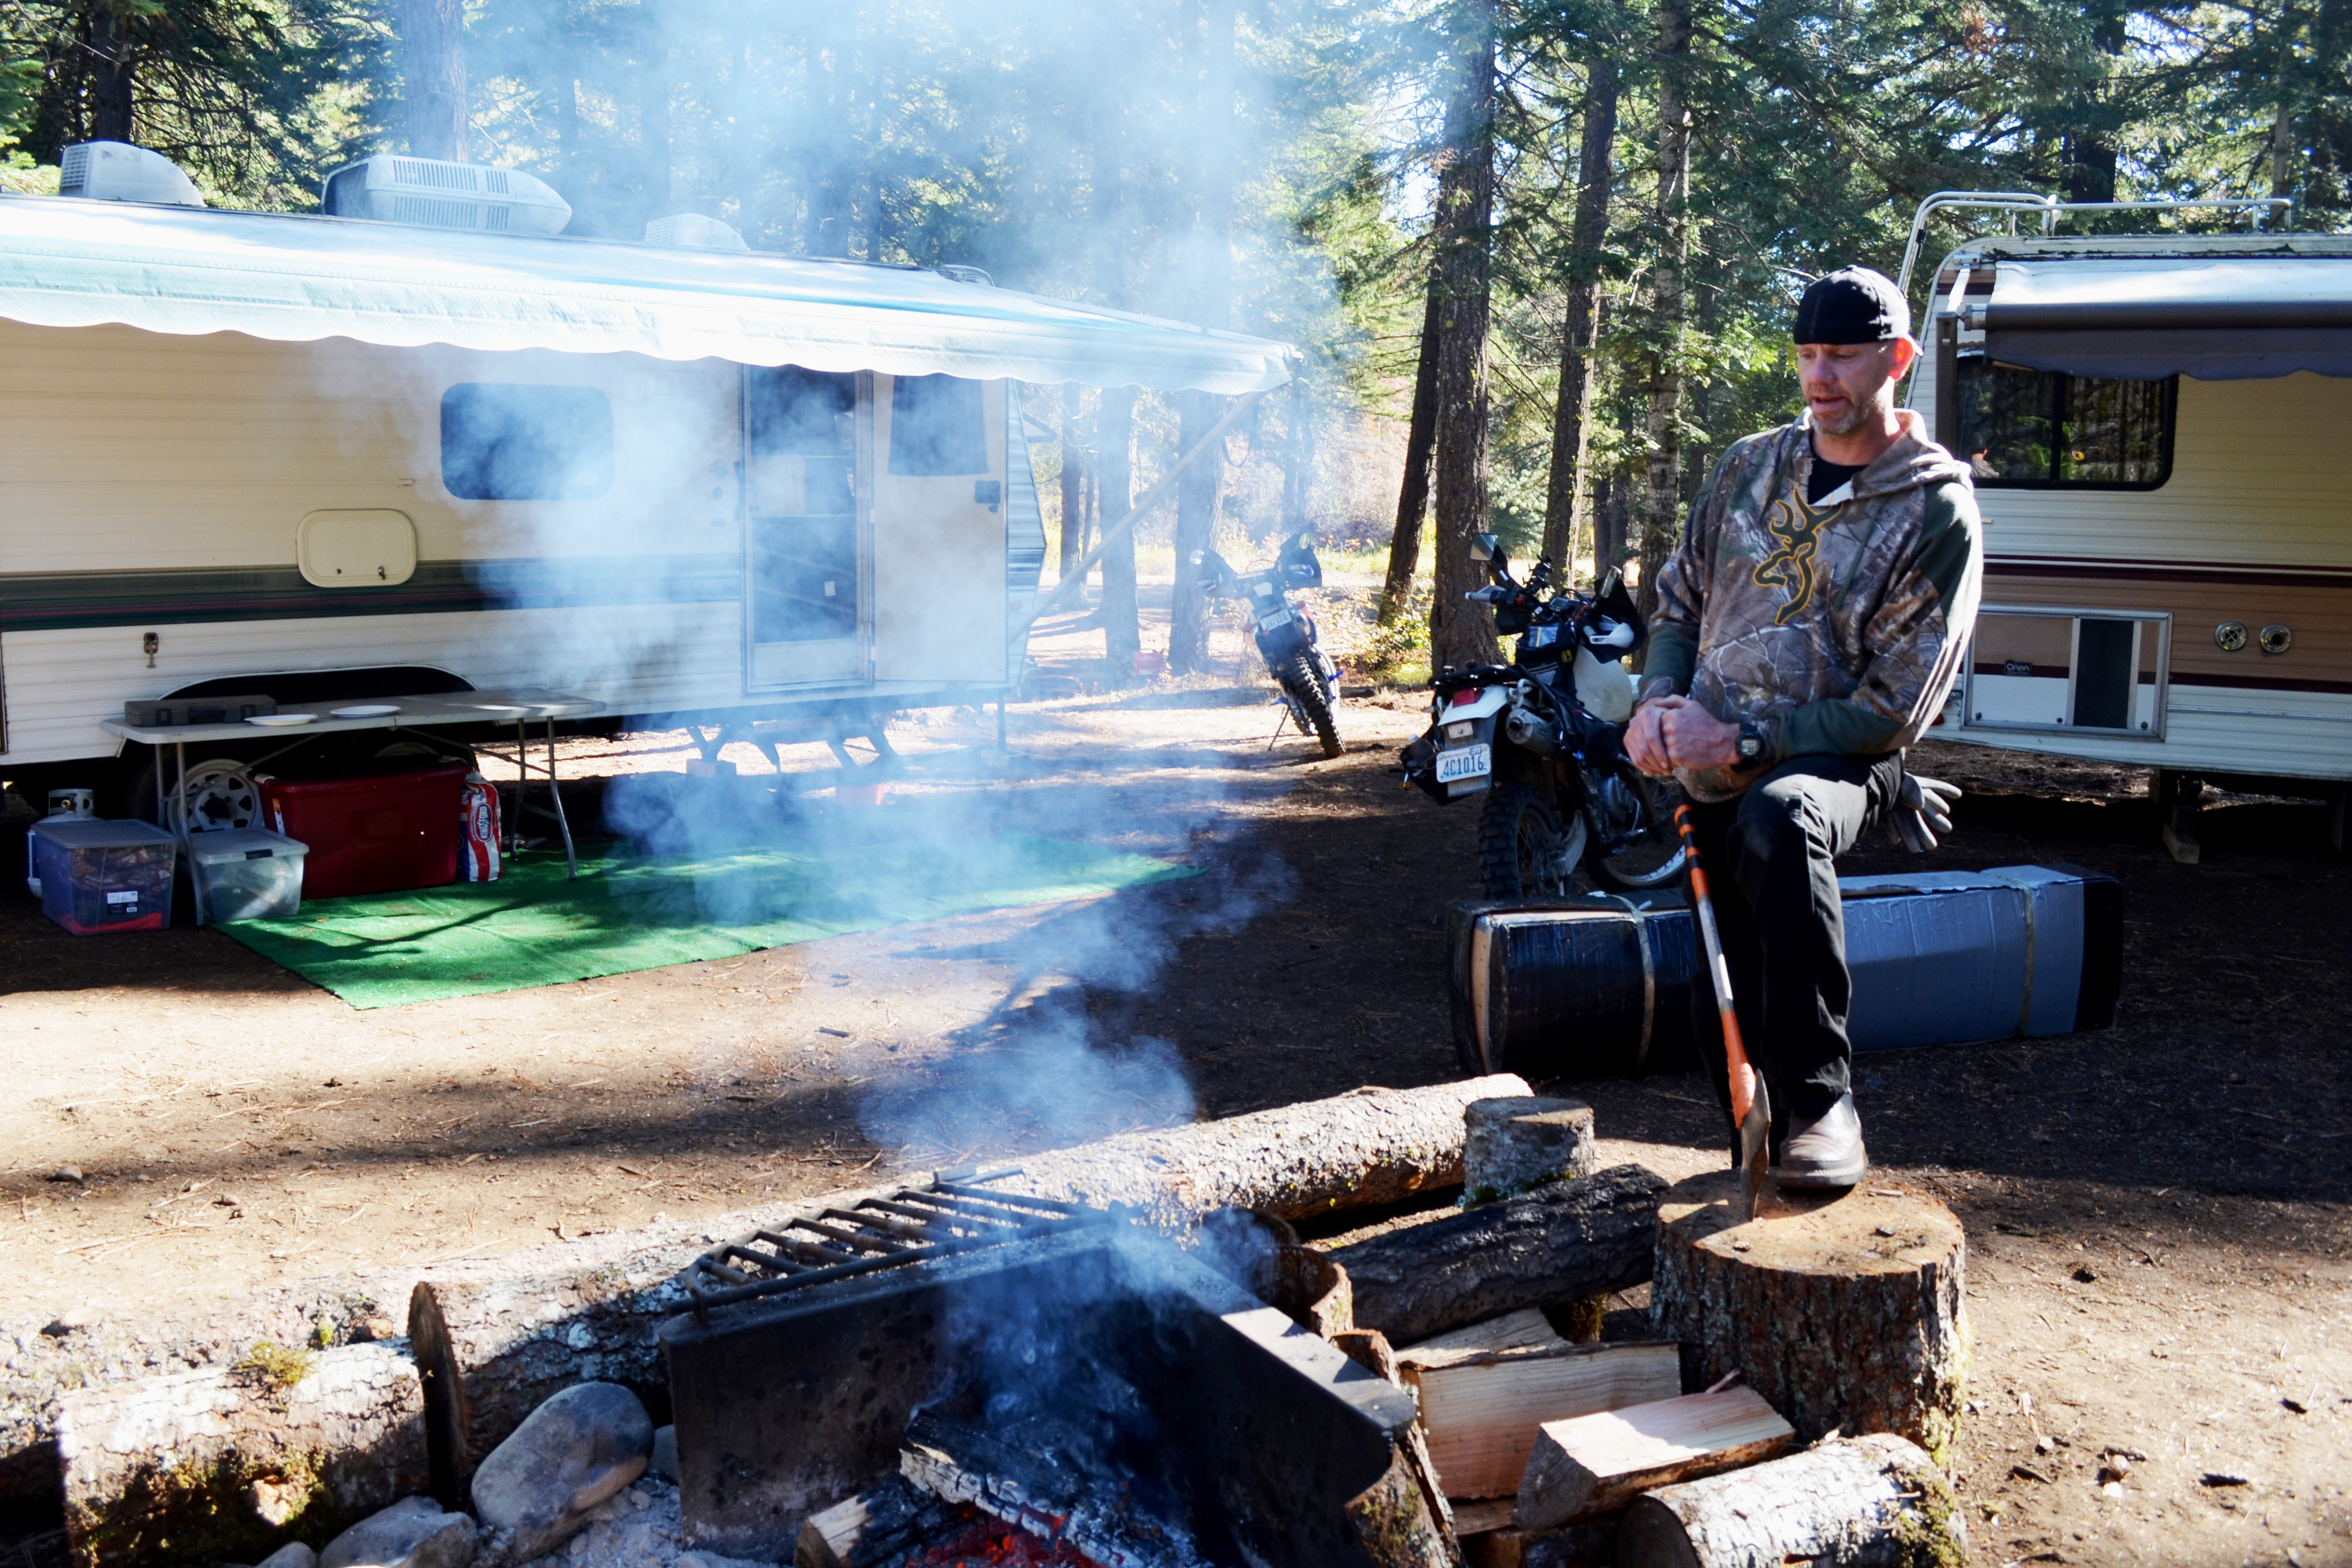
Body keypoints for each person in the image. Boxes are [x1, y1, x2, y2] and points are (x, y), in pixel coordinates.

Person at [1623, 266, 1982, 1188]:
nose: (1821, 377)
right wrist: (1659, 703)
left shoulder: (1933, 506)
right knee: (1722, 996)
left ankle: (1825, 1103)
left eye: (1845, 356)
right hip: (1708, 762)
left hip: (1839, 760)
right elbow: (1678, 603)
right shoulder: (1749, 466)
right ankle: (1763, 1161)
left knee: (1780, 818)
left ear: (1896, 360)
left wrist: (1740, 744)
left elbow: (1891, 707)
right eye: (1808, 355)